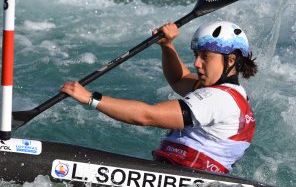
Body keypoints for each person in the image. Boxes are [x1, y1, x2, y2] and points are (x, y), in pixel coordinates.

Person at [61, 21, 258, 174]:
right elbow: (179, 79)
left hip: (189, 183)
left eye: (205, 56)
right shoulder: (230, 94)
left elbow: (147, 116)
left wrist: (91, 98)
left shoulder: (217, 99)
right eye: (196, 55)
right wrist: (167, 45)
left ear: (231, 59)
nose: (197, 63)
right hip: (182, 176)